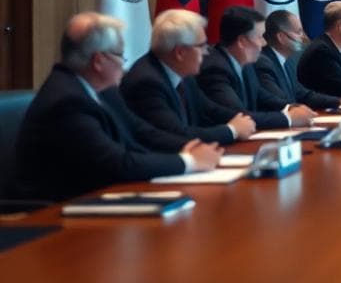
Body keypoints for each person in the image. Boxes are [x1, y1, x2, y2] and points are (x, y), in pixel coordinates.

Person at [12, 13, 222, 201]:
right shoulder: (66, 101)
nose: (124, 64)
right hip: (54, 212)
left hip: (97, 197)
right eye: (120, 55)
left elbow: (140, 131)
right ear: (99, 60)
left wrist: (186, 148)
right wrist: (188, 161)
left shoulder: (104, 91)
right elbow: (117, 164)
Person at [120, 9, 257, 145]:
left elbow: (211, 110)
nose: (206, 52)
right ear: (180, 52)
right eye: (201, 46)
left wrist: (244, 121)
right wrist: (232, 130)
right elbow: (177, 134)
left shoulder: (183, 74)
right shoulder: (147, 82)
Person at [198, 6, 316, 128]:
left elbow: (262, 96)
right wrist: (288, 118)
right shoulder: (215, 69)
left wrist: (292, 107)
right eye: (260, 37)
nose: (264, 43)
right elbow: (237, 115)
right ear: (242, 41)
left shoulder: (246, 64)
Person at [255, 9, 341, 111]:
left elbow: (303, 95)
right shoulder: (263, 64)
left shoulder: (287, 61)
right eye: (298, 32)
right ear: (281, 37)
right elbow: (279, 103)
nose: (303, 37)